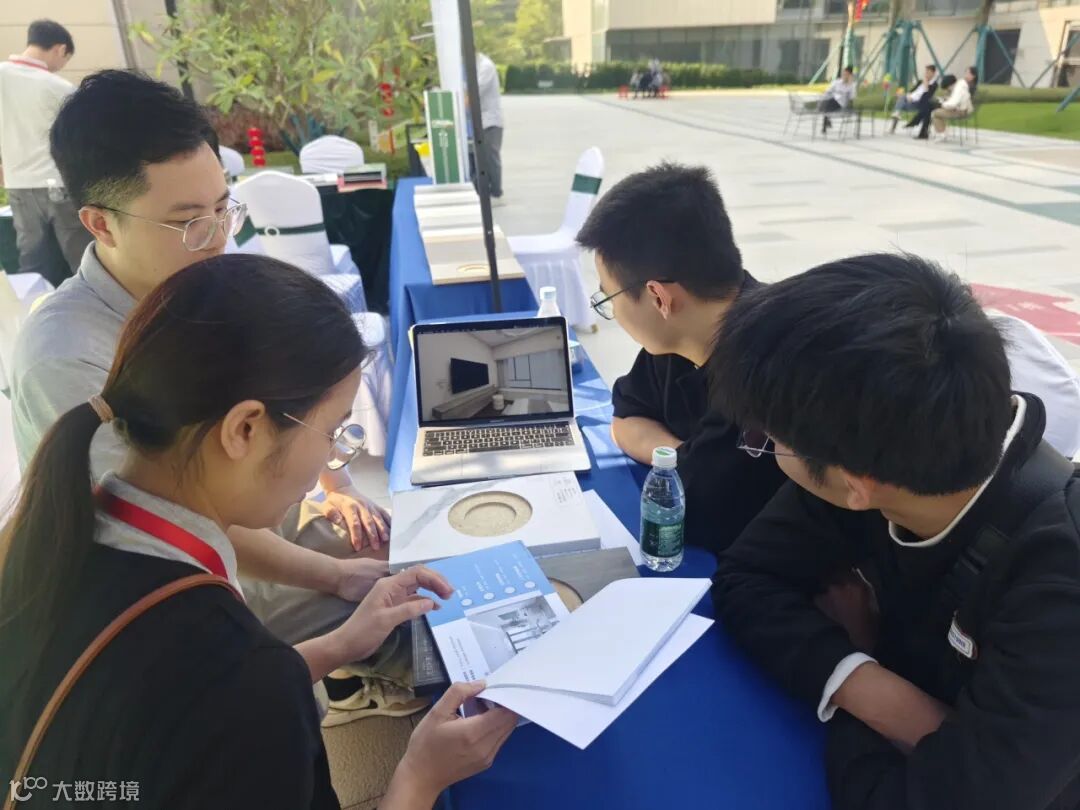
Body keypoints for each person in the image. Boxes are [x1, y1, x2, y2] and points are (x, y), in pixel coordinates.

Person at [0, 254, 518, 807]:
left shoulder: (51, 539)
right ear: (245, 429)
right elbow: (224, 701)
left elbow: (184, 715)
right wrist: (420, 775)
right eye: (333, 430)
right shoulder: (242, 677)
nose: (334, 455)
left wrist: (341, 644)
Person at [10, 70, 389, 652]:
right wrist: (335, 576)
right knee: (398, 613)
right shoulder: (66, 357)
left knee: (398, 547)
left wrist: (333, 482)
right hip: (191, 580)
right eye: (187, 221)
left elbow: (298, 384)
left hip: (257, 509)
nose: (216, 239)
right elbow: (171, 524)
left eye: (222, 208)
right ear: (101, 223)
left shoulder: (196, 281)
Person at [710, 253, 1080, 809]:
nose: (771, 449)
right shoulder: (885, 444)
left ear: (857, 486)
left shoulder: (1059, 590)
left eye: (772, 440)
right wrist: (869, 682)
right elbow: (745, 577)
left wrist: (865, 648)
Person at [576, 163, 787, 555]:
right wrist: (683, 458)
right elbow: (626, 419)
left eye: (608, 297)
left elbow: (694, 512)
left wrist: (682, 466)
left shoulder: (764, 366)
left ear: (659, 297)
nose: (611, 311)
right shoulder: (680, 336)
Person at [0, 19, 92, 285]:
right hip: (60, 184)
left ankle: (37, 308)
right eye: (65, 59)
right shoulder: (59, 88)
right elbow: (81, 139)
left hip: (19, 185)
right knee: (82, 261)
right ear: (60, 49)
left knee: (34, 265)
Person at [475, 53, 504, 199]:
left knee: (491, 156)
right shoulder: (477, 65)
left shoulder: (485, 66)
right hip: (483, 119)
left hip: (490, 121)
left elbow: (476, 90)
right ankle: (487, 188)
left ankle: (496, 190)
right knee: (484, 156)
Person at [890, 64, 938, 134]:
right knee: (901, 100)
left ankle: (895, 120)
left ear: (933, 73)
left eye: (928, 72)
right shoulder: (920, 82)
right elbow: (911, 91)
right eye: (926, 72)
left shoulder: (934, 84)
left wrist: (925, 82)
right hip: (909, 101)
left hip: (919, 103)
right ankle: (897, 114)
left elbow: (927, 94)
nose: (926, 74)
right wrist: (908, 95)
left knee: (900, 102)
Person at [930, 73, 973, 141]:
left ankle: (942, 134)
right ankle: (943, 132)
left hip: (961, 112)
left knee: (935, 113)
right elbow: (955, 100)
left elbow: (953, 104)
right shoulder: (960, 86)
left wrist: (942, 104)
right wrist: (946, 100)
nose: (948, 90)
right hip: (963, 109)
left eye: (947, 88)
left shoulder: (958, 89)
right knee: (939, 112)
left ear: (950, 85)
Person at [818, 66, 857, 135]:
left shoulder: (852, 85)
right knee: (826, 100)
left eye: (846, 74)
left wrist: (850, 85)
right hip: (832, 100)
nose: (844, 76)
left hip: (840, 103)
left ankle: (826, 122)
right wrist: (824, 95)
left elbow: (852, 97)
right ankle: (826, 120)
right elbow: (828, 91)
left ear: (850, 76)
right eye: (843, 74)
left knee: (827, 103)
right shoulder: (837, 82)